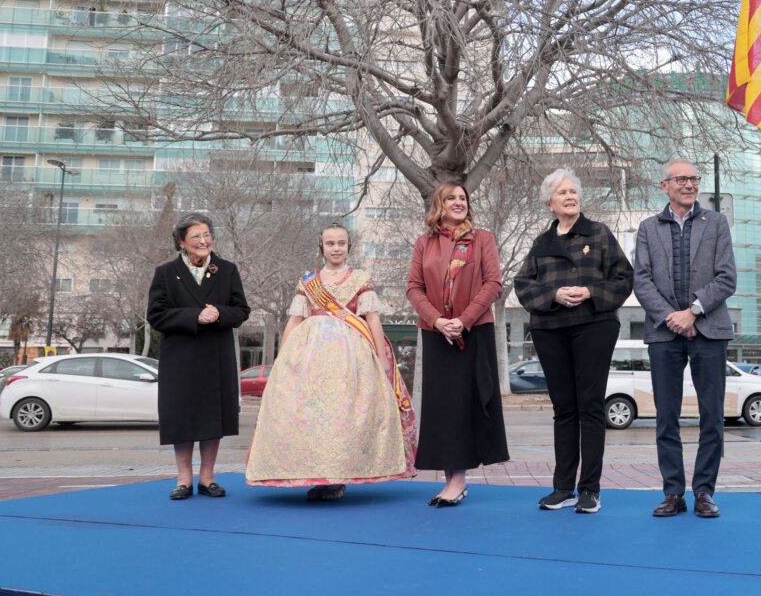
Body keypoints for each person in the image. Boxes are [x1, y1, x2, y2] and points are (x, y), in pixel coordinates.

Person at [245, 223, 418, 499]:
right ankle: (316, 474)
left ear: (349, 246)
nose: (336, 248)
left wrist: (380, 357)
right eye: (330, 243)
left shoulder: (361, 279)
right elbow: (295, 320)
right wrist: (283, 357)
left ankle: (338, 476)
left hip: (351, 357)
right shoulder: (309, 281)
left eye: (341, 243)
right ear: (322, 247)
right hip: (310, 357)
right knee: (314, 416)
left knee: (343, 416)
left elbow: (372, 319)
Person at [514, 169, 633, 514]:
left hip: (593, 325)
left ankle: (590, 489)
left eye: (573, 192)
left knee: (590, 407)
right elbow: (524, 286)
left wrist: (590, 291)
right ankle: (563, 487)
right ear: (550, 203)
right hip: (551, 329)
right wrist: (554, 294)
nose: (570, 197)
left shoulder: (599, 233)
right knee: (563, 409)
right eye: (562, 193)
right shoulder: (541, 243)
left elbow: (624, 278)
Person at [633, 158, 737, 518]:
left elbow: (727, 278)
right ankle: (673, 492)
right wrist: (671, 318)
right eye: (681, 179)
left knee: (712, 416)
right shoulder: (648, 228)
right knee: (666, 416)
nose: (689, 184)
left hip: (709, 330)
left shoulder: (717, 223)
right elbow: (641, 281)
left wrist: (693, 311)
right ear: (665, 186)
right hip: (664, 333)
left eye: (694, 178)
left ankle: (705, 492)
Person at [407, 181, 508, 507]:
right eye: (451, 197)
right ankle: (452, 481)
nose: (458, 202)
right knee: (443, 409)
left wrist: (463, 320)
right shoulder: (425, 243)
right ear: (439, 204)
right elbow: (413, 287)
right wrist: (437, 320)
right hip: (437, 334)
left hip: (474, 331)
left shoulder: (482, 240)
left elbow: (493, 282)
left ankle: (458, 481)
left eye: (462, 198)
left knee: (467, 404)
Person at [147, 213, 251, 500]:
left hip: (215, 357)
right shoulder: (166, 273)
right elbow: (156, 315)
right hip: (179, 358)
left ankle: (207, 478)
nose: (204, 241)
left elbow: (241, 311)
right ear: (182, 242)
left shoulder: (227, 270)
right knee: (181, 418)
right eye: (196, 236)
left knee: (211, 418)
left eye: (207, 235)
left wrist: (219, 313)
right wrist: (195, 316)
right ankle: (183, 479)